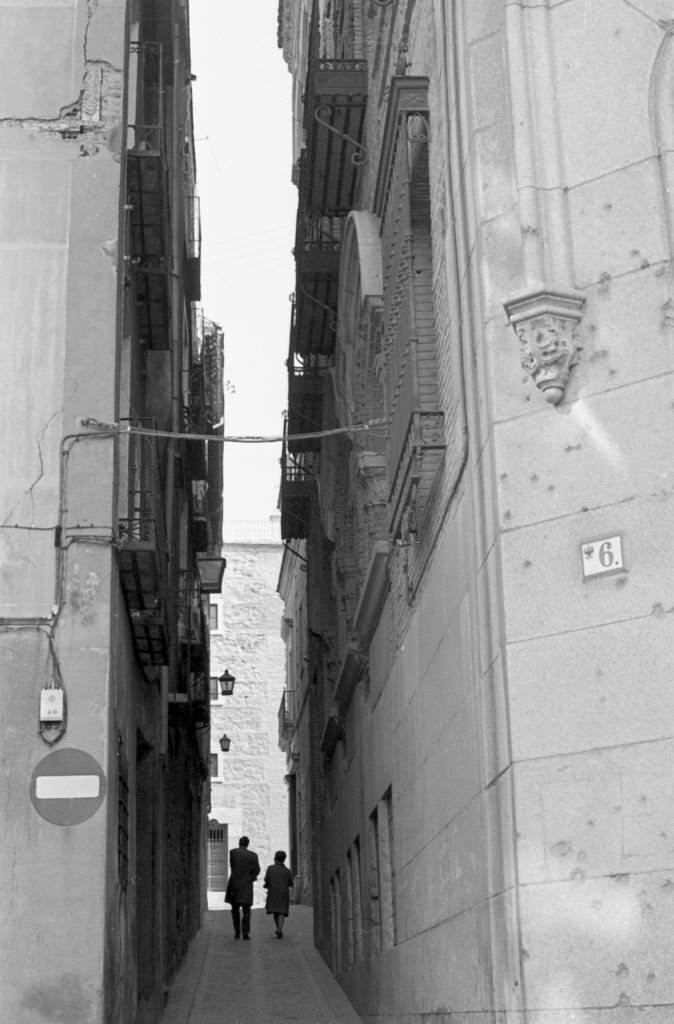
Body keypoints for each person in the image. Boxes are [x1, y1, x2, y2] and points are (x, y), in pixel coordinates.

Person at [225, 836, 260, 940]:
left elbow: (232, 866)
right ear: (247, 844)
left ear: (239, 843)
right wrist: (251, 877)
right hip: (246, 885)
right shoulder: (253, 855)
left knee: (234, 909)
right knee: (246, 910)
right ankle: (245, 932)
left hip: (234, 884)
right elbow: (257, 870)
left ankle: (237, 931)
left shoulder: (233, 853)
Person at [263, 850, 294, 938]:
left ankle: (279, 929)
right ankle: (279, 930)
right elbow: (290, 883)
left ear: (275, 858)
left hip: (273, 892)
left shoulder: (270, 868)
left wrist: (267, 885)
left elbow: (267, 880)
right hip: (284, 892)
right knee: (281, 912)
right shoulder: (287, 871)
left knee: (275, 912)